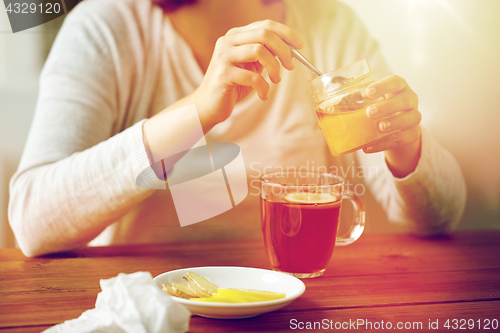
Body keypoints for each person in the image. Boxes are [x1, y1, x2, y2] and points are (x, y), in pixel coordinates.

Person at [9, 0, 466, 257]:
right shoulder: (107, 30)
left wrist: (406, 146)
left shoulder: (329, 26)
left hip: (294, 303)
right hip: (148, 306)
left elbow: (440, 215)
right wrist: (199, 111)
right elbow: (32, 220)